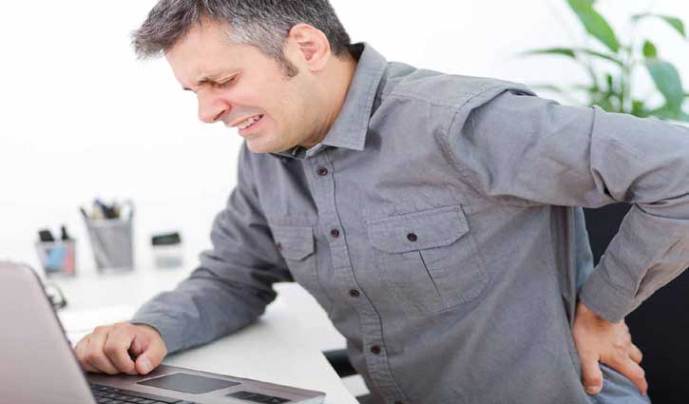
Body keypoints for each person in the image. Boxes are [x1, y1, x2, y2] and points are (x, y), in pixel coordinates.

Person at [74, 1, 689, 403]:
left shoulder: (461, 124)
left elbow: (679, 167)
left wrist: (600, 310)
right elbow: (233, 276)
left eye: (222, 82)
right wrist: (150, 328)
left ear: (307, 48)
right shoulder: (269, 151)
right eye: (194, 91)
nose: (207, 112)